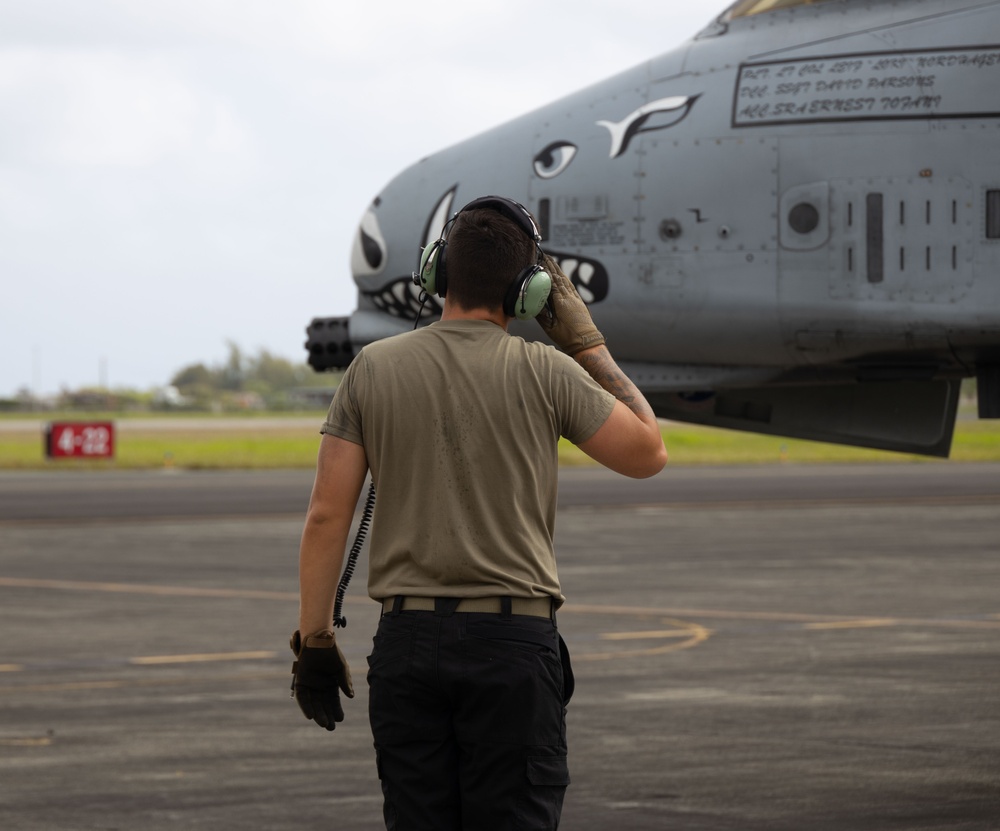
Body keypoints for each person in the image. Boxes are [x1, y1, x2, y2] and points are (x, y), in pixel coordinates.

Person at [290, 195, 667, 830]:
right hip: (510, 646)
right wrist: (587, 345)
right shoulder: (548, 370)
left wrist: (316, 640)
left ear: (436, 273)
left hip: (407, 646)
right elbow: (648, 453)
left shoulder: (371, 368)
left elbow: (328, 516)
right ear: (531, 291)